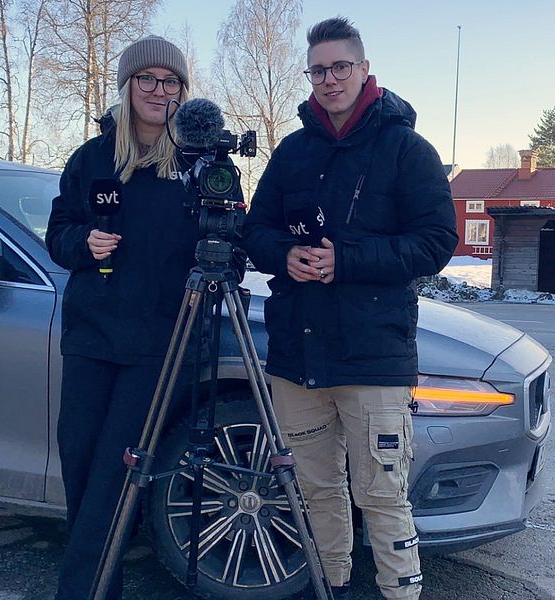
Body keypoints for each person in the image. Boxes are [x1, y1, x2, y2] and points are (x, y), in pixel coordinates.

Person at [242, 17, 458, 600]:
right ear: (309, 78)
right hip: (299, 355)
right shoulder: (292, 151)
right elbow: (253, 230)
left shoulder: (407, 149)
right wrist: (284, 256)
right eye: (318, 70)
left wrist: (350, 261)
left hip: (373, 356)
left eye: (341, 66)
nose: (330, 79)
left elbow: (438, 242)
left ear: (364, 69)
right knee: (314, 492)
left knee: (383, 497)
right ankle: (328, 587)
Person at [46, 35, 235, 600]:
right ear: (127, 87)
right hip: (91, 338)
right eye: (147, 79)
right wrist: (85, 241)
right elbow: (58, 234)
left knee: (114, 474)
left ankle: (81, 592)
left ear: (183, 91)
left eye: (170, 81)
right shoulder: (91, 159)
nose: (159, 91)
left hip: (160, 344)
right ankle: (104, 584)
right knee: (79, 462)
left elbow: (230, 240)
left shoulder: (202, 165)